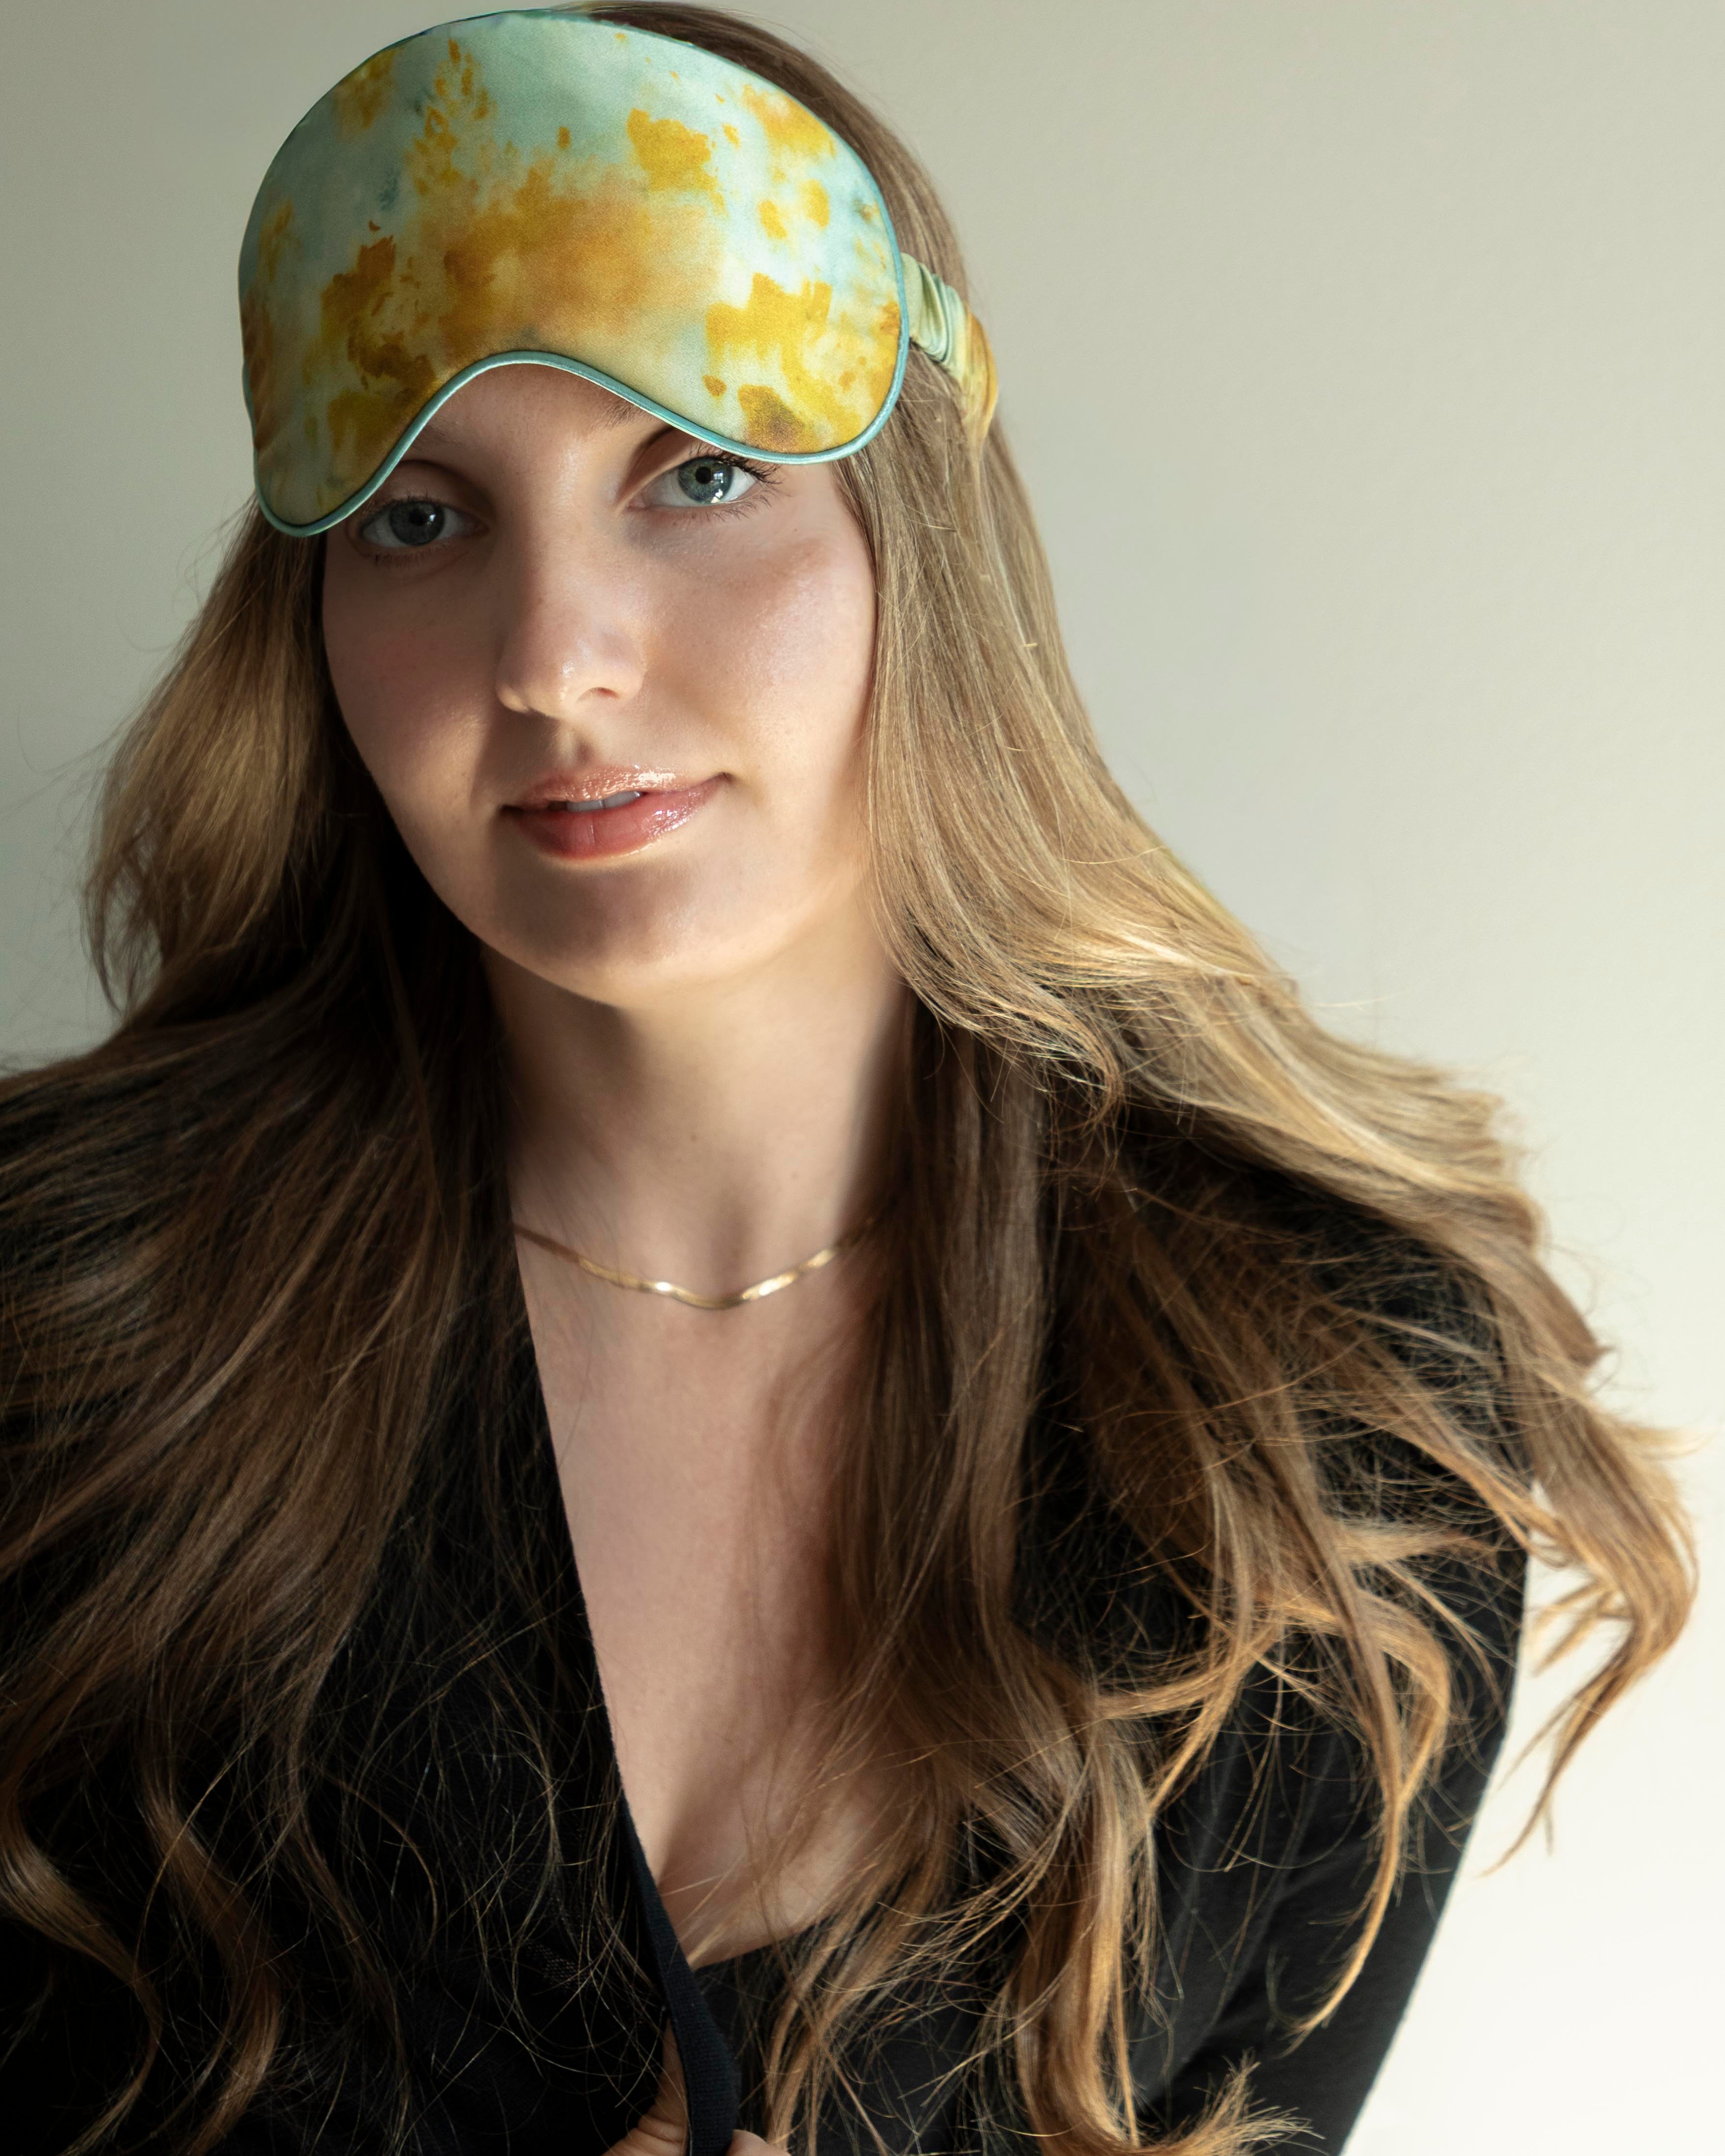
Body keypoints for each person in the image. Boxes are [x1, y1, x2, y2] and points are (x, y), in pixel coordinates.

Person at [0, 6, 1694, 2154]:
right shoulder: (61, 1349)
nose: (555, 656)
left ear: (924, 536)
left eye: (700, 473)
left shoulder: (1320, 1441)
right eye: (420, 518)